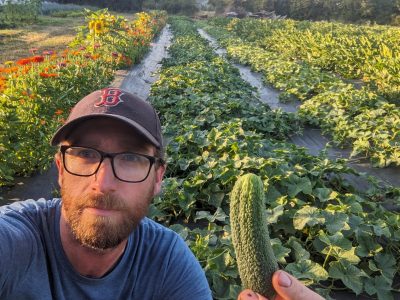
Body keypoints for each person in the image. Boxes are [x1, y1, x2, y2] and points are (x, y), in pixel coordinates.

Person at [0, 87, 323, 300]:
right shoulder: (15, 243)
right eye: (85, 154)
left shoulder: (169, 262)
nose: (103, 182)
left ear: (157, 178)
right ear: (59, 167)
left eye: (130, 158)